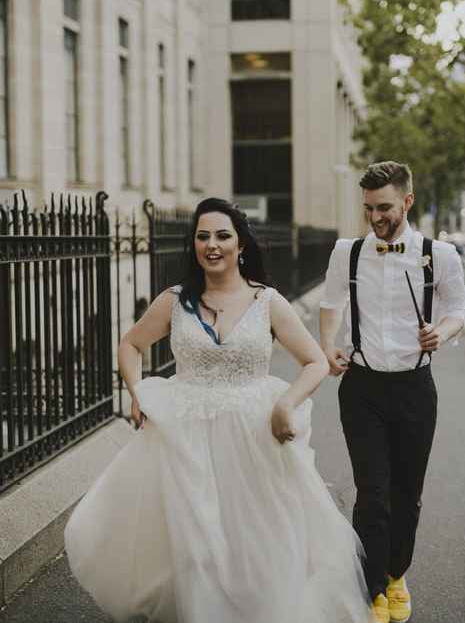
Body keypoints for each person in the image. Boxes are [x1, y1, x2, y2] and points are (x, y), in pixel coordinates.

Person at [65, 197, 371, 623]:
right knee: (196, 546)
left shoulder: (268, 302)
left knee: (255, 542)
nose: (212, 244)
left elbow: (316, 361)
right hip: (186, 440)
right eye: (203, 236)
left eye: (223, 236)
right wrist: (137, 393)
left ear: (241, 244)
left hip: (254, 439)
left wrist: (287, 402)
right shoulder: (174, 301)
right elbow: (131, 345)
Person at [319, 162, 465, 623]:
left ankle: (397, 572)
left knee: (408, 493)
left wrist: (439, 334)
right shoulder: (348, 250)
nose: (375, 218)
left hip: (414, 388)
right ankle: (373, 587)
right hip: (361, 386)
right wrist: (328, 348)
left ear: (407, 201)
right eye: (368, 209)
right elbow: (330, 303)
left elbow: (458, 310)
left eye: (384, 207)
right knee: (372, 492)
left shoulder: (438, 255)